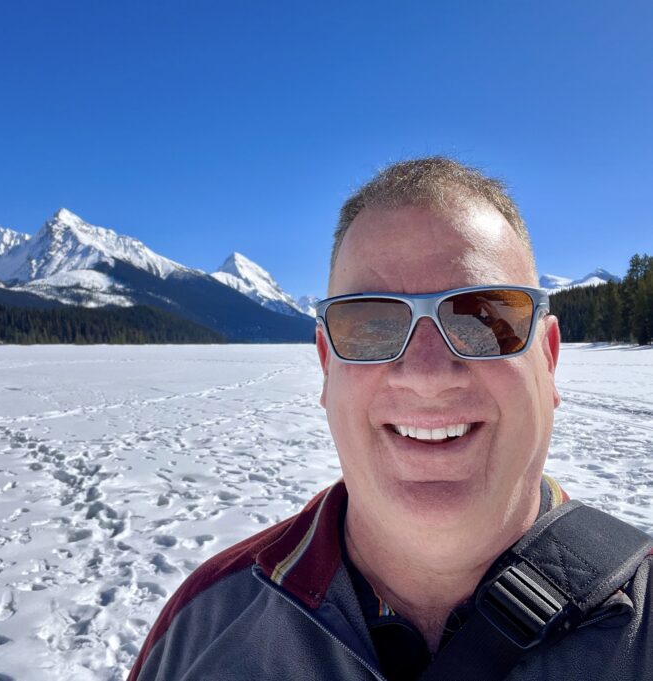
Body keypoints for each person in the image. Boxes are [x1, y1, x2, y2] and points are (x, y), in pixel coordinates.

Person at [128, 158, 653, 681]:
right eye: (371, 326)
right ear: (327, 365)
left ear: (549, 358)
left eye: (485, 320)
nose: (426, 374)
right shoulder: (202, 629)